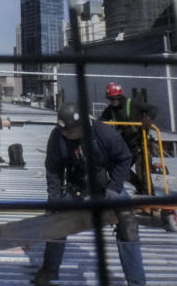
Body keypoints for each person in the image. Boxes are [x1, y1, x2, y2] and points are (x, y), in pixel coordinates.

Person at [34, 102, 146, 286]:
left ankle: (137, 281)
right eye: (63, 132)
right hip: (77, 188)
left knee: (128, 223)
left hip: (106, 188)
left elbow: (124, 158)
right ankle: (49, 269)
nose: (66, 135)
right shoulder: (57, 138)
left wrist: (114, 186)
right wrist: (54, 201)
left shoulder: (104, 134)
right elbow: (53, 171)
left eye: (69, 132)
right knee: (56, 220)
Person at [99, 82, 158, 195]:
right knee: (117, 169)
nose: (112, 101)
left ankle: (149, 196)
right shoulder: (110, 110)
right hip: (126, 145)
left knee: (143, 171)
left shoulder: (133, 104)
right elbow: (101, 121)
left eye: (115, 98)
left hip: (141, 143)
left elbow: (153, 108)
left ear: (120, 96)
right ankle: (139, 186)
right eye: (110, 99)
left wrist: (148, 118)